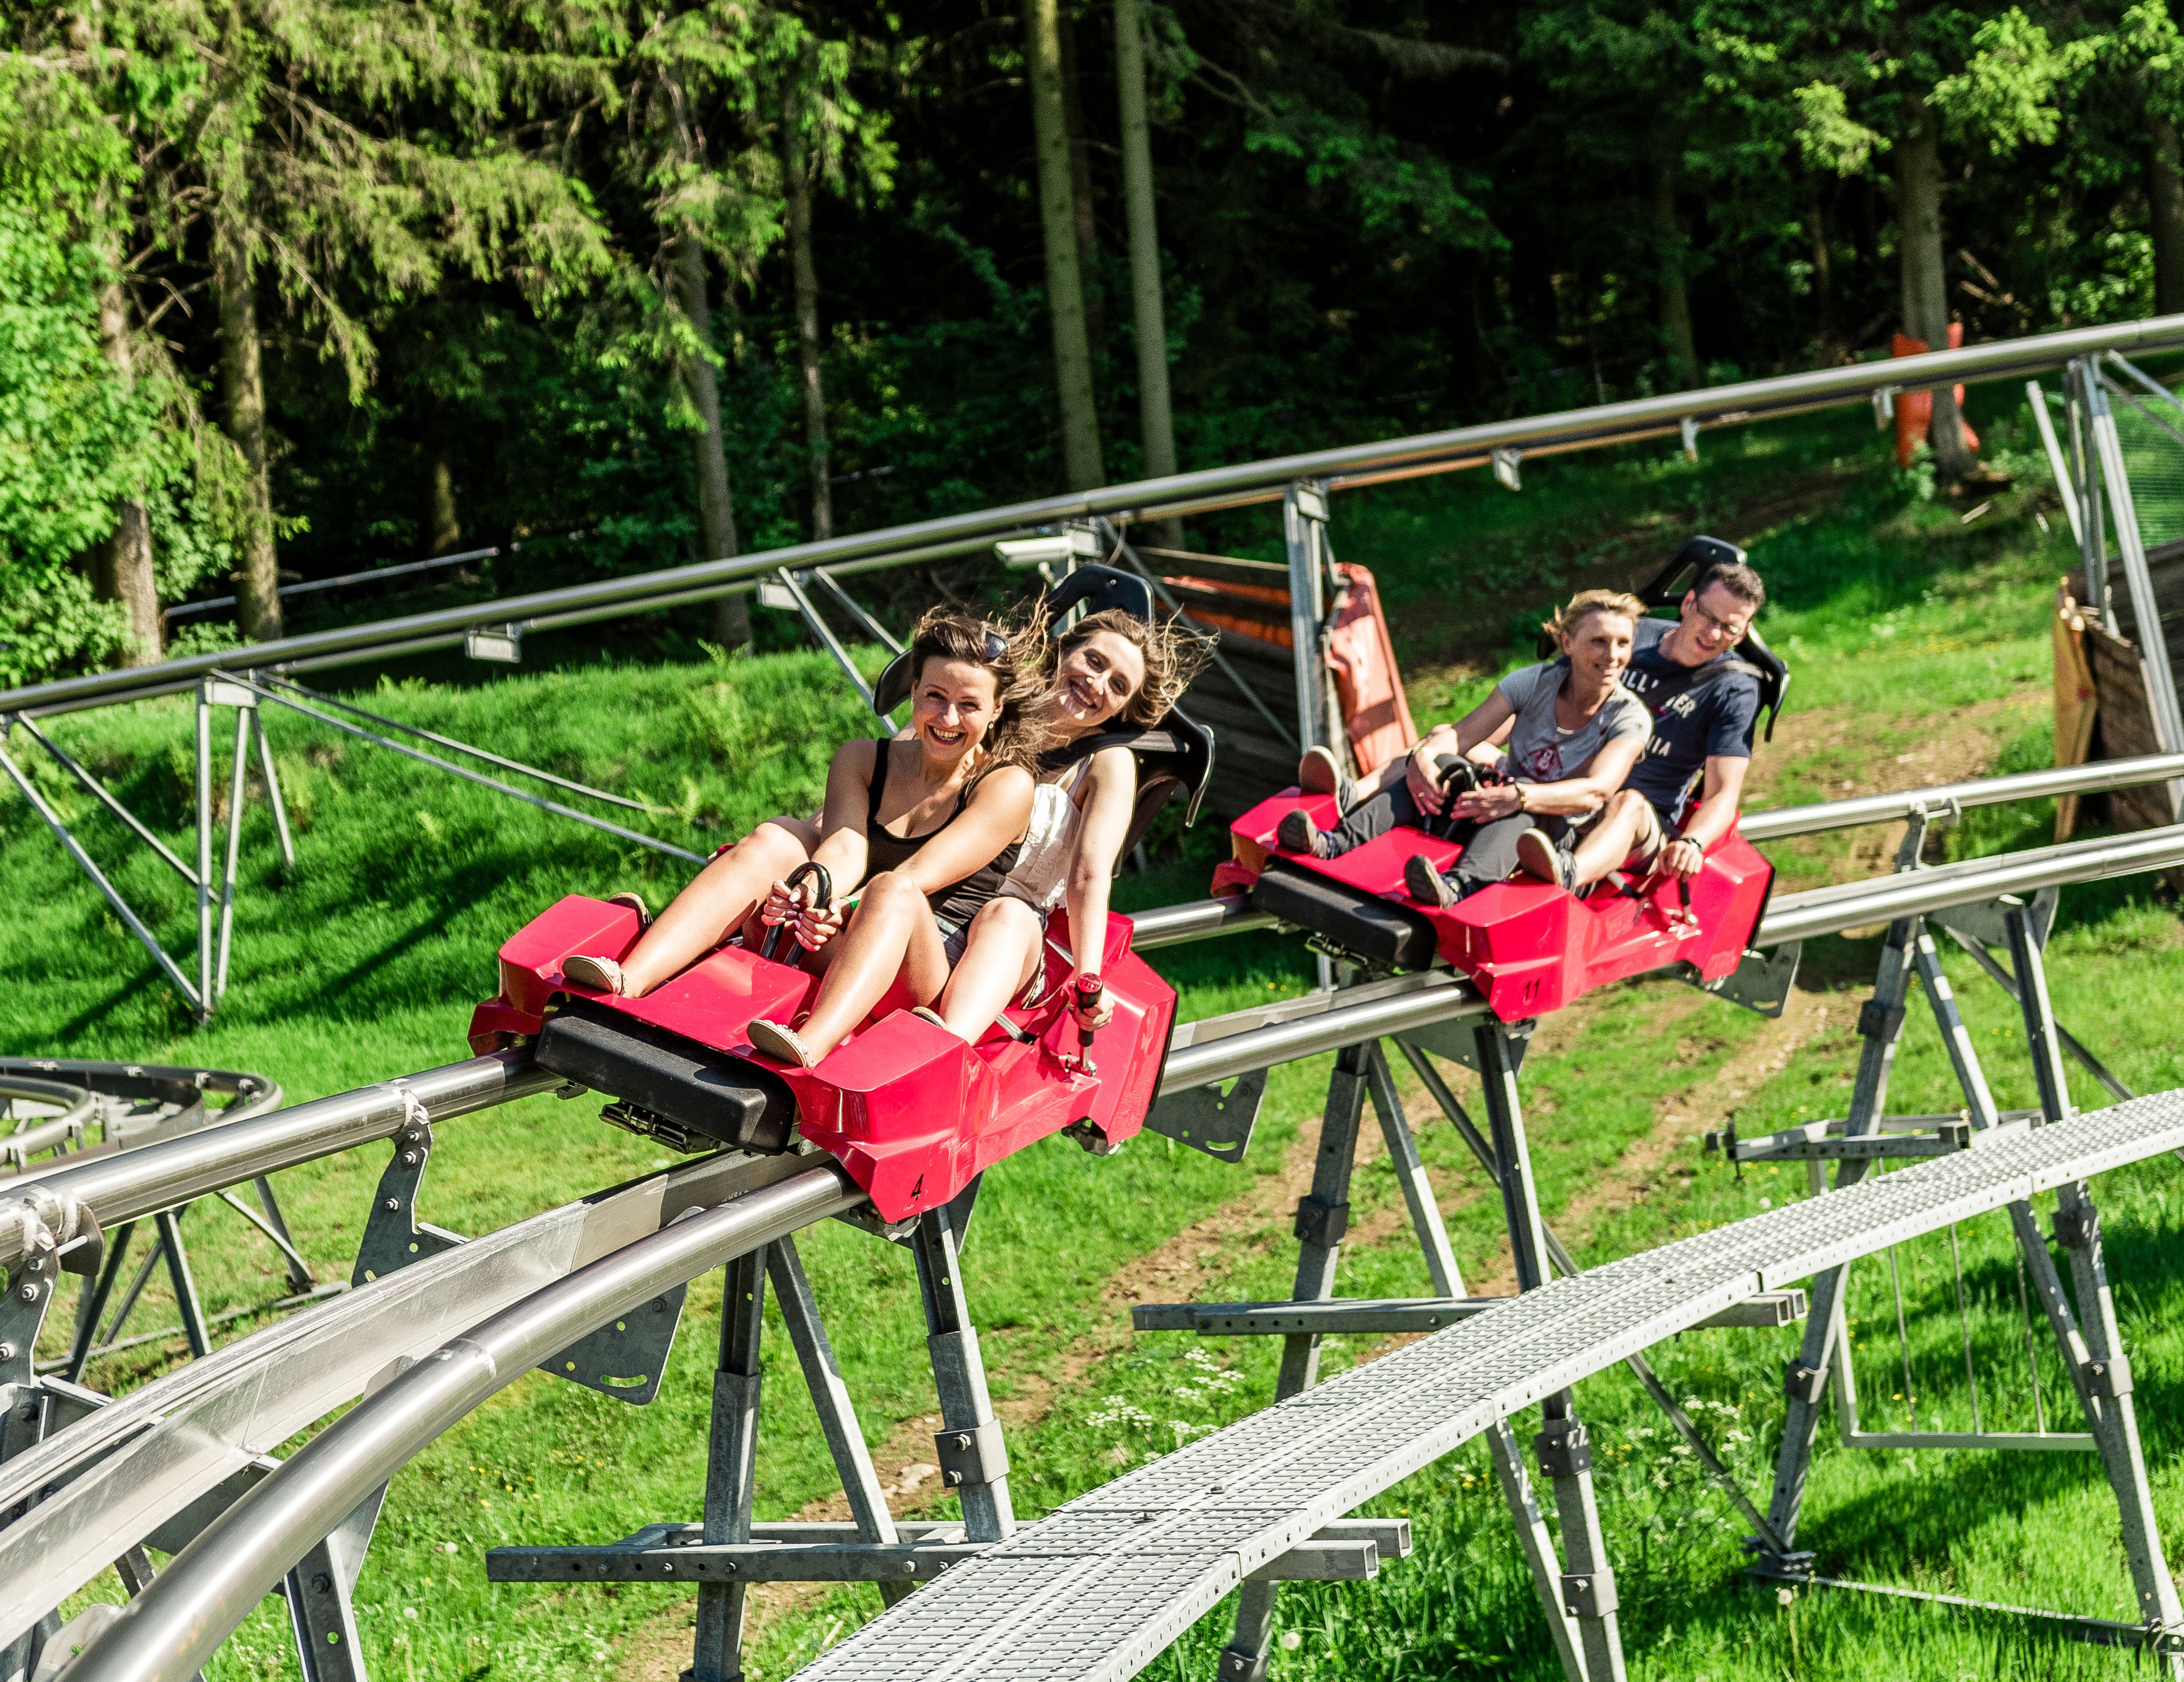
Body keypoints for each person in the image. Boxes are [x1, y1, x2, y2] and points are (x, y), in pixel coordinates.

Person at [563, 610, 1045, 1031]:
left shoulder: (1006, 785)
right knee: (780, 836)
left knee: (893, 892)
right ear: (913, 691)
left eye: (969, 705)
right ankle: (629, 977)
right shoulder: (861, 759)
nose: (949, 717)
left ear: (996, 709)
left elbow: (917, 876)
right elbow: (844, 850)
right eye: (936, 696)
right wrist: (812, 892)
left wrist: (844, 908)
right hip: (837, 937)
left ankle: (810, 1042)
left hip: (914, 972)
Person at [924, 607, 1212, 1047]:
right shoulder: (988, 708)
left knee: (1010, 916)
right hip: (928, 902)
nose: (1096, 685)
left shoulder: (1107, 762)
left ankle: (938, 1052)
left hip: (1003, 934)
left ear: (1123, 708)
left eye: (1117, 685)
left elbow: (1089, 874)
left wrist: (1088, 980)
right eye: (1094, 661)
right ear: (1063, 651)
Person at [1276, 589, 1652, 904]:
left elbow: (1596, 791)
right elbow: (1462, 734)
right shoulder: (1534, 682)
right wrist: (1420, 759)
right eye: (1599, 642)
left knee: (1521, 811)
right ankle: (1334, 842)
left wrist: (1519, 796)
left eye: (1622, 644)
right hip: (1498, 805)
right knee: (1443, 762)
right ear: (1568, 643)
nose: (1612, 655)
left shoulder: (1629, 717)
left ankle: (1458, 886)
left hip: (1551, 830)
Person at [1560, 558, 1767, 891]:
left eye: (1729, 628)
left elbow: (1722, 794)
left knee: (1628, 803)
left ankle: (1566, 876)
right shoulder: (1632, 634)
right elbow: (1545, 694)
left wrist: (1693, 842)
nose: (1713, 634)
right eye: (1708, 616)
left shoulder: (1736, 688)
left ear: (1742, 633)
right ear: (1688, 603)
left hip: (1642, 820)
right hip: (1569, 788)